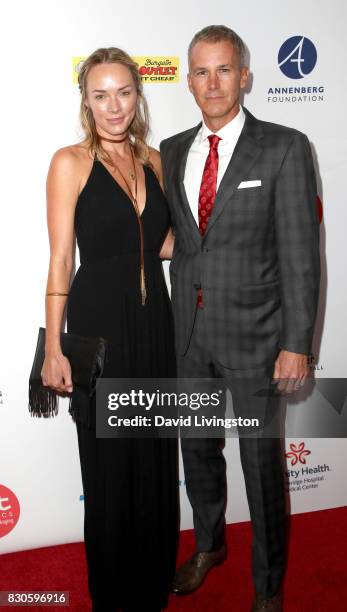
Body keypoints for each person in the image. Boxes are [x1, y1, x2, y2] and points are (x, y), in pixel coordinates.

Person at [160, 25, 320, 611]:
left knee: (260, 466)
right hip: (189, 336)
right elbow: (183, 237)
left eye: (224, 70)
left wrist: (296, 343)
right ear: (188, 80)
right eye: (200, 71)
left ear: (245, 75)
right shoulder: (173, 150)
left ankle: (269, 586)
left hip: (259, 339)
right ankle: (208, 545)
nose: (213, 83)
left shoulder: (284, 146)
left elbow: (303, 255)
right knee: (197, 449)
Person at [41, 47, 178, 612]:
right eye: (100, 94)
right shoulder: (69, 162)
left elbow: (161, 243)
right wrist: (53, 346)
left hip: (155, 323)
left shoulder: (155, 159)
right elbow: (59, 260)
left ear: (137, 94)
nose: (114, 105)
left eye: (123, 92)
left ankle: (151, 584)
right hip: (99, 329)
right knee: (108, 466)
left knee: (153, 456)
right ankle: (114, 595)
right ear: (85, 100)